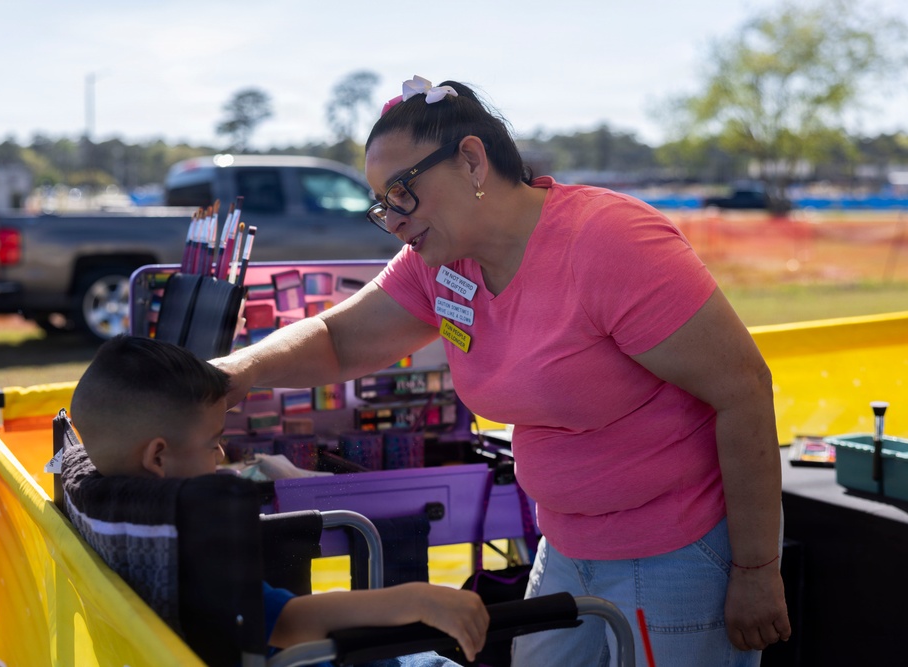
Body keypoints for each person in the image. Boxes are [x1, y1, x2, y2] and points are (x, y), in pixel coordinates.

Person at [210, 75, 791, 666]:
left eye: (402, 191)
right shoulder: (438, 261)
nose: (395, 220)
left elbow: (743, 391)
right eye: (382, 204)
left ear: (471, 160)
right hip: (567, 545)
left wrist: (756, 569)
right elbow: (339, 340)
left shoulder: (609, 241)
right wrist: (237, 372)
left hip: (679, 550)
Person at [70, 334, 488, 666]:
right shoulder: (190, 542)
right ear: (158, 457)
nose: (221, 455)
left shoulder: (109, 513)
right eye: (213, 443)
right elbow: (289, 624)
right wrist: (419, 599)